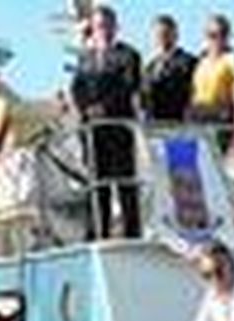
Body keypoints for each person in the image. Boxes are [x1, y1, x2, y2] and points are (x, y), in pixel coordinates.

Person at [71, 4, 144, 240]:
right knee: (96, 182)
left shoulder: (128, 55)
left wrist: (105, 107)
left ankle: (132, 232)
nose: (103, 30)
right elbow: (77, 88)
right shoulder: (85, 58)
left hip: (118, 127)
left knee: (124, 182)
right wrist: (86, 109)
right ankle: (97, 231)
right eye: (99, 26)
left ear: (115, 27)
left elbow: (128, 85)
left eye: (107, 25)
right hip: (93, 130)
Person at [189, 14, 234, 129]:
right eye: (212, 35)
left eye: (223, 34)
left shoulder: (232, 58)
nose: (218, 39)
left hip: (221, 116)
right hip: (198, 114)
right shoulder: (201, 60)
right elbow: (194, 90)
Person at [143, 14, 196, 123]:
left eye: (166, 33)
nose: (162, 38)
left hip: (179, 122)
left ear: (176, 35)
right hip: (154, 123)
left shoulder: (189, 62)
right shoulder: (150, 66)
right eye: (158, 34)